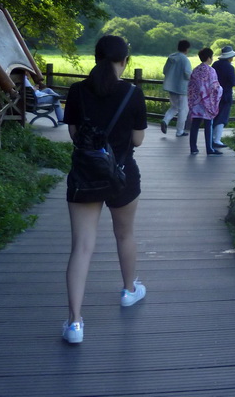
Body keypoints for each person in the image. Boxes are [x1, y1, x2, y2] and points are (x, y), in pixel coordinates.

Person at [61, 35, 148, 344]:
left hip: (85, 176)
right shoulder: (133, 93)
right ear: (124, 61)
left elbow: (74, 134)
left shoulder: (77, 91)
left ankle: (74, 323)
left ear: (96, 57)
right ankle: (129, 291)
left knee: (81, 247)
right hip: (122, 175)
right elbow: (137, 140)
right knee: (124, 234)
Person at [187, 47, 223, 156]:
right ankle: (209, 148)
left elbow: (191, 87)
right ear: (208, 58)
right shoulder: (211, 71)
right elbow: (215, 87)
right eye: (211, 57)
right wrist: (221, 90)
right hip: (207, 103)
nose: (212, 59)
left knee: (195, 125)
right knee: (208, 124)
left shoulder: (196, 70)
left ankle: (193, 148)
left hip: (196, 103)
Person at [161, 39, 192, 137]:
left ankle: (165, 120)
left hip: (171, 87)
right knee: (183, 110)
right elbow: (188, 74)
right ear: (186, 49)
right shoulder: (184, 59)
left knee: (174, 107)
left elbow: (165, 71)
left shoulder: (171, 58)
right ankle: (179, 131)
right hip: (182, 89)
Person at [211, 46, 235, 148]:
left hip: (214, 94)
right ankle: (217, 140)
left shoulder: (215, 65)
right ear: (229, 57)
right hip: (225, 95)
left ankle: (212, 138)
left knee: (214, 116)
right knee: (222, 117)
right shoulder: (230, 67)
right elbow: (232, 82)